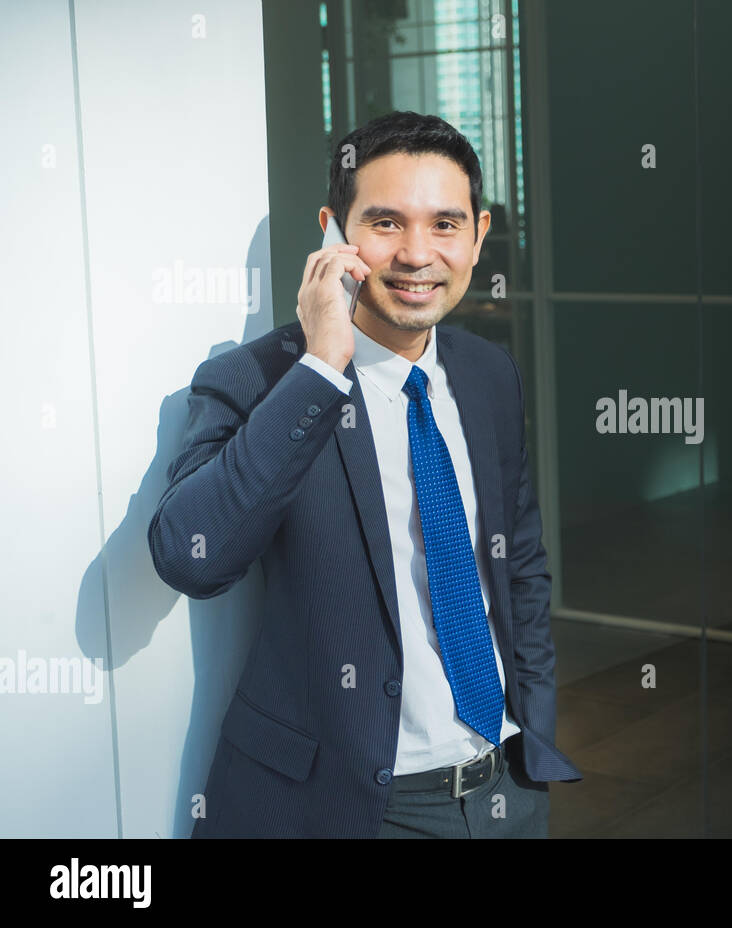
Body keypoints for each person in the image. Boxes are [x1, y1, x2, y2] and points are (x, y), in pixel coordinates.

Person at [148, 110, 580, 838]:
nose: (417, 253)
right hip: (348, 809)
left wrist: (533, 728)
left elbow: (521, 563)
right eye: (385, 223)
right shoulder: (256, 381)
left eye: (445, 224)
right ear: (333, 232)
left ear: (478, 234)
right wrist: (321, 367)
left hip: (506, 785)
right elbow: (191, 558)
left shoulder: (486, 373)